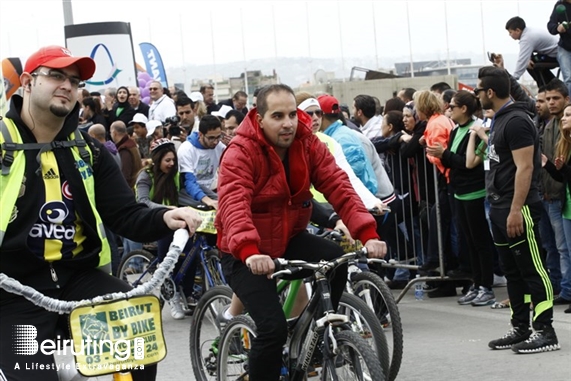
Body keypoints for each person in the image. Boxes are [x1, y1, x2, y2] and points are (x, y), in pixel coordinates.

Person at [0, 45, 203, 381]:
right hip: (13, 290)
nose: (67, 85)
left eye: (75, 80)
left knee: (140, 343)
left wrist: (166, 217)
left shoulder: (88, 150)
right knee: (33, 374)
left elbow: (125, 214)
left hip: (78, 280)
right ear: (27, 82)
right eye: (55, 75)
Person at [215, 84, 387, 380]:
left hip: (288, 238)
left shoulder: (307, 143)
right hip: (244, 251)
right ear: (259, 118)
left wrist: (368, 233)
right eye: (277, 116)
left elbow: (339, 186)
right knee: (271, 329)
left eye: (292, 114)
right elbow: (234, 204)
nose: (288, 123)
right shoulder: (241, 152)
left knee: (334, 259)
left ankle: (315, 335)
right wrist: (249, 251)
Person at [476, 66, 560, 353]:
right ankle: (520, 327)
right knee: (512, 271)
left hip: (518, 208)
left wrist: (515, 210)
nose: (476, 94)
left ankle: (545, 331)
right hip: (499, 207)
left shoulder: (516, 121)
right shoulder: (500, 119)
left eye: (478, 89)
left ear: (490, 92)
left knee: (532, 269)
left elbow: (526, 168)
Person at [426, 90, 496, 306]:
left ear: (463, 109)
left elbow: (467, 163)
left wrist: (444, 154)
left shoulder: (476, 129)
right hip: (459, 192)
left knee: (480, 241)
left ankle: (486, 286)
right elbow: (452, 161)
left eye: (452, 107)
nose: (449, 110)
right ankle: (476, 283)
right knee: (468, 242)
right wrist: (441, 155)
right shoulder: (457, 130)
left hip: (475, 193)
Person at [544, 102, 571, 314]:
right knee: (566, 251)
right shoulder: (565, 142)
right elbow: (563, 178)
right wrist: (549, 165)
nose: (563, 118)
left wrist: (564, 168)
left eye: (569, 115)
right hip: (567, 206)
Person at [177, 115, 225, 208]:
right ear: (200, 135)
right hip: (190, 193)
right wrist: (208, 200)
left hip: (211, 190)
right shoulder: (187, 149)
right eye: (211, 138)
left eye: (218, 137)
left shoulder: (220, 147)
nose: (215, 142)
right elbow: (189, 182)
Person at [504, 16, 559, 86]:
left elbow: (522, 60)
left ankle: (547, 86)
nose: (509, 35)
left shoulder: (526, 39)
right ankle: (553, 84)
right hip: (552, 53)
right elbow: (528, 53)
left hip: (556, 55)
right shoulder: (529, 32)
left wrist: (514, 78)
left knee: (531, 65)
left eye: (510, 32)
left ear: (517, 30)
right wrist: (529, 59)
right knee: (531, 62)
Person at [548, 1, 571, 95]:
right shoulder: (559, 5)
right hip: (565, 47)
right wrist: (558, 28)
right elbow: (551, 25)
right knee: (568, 78)